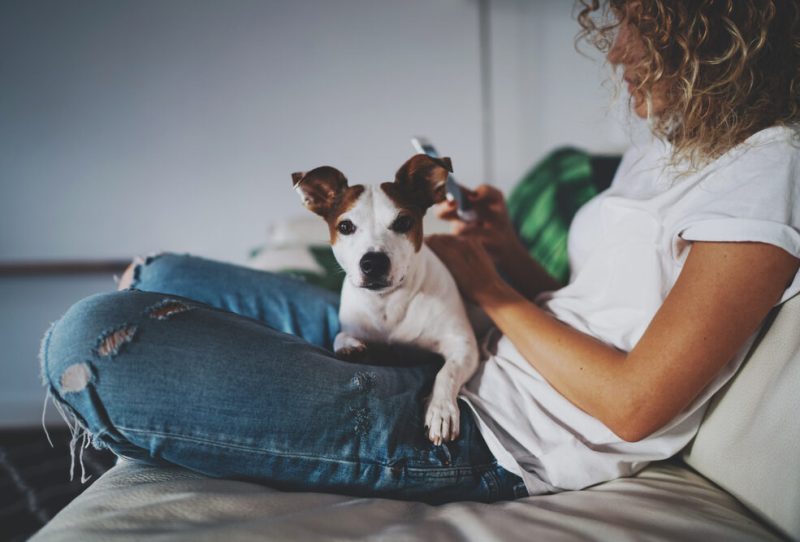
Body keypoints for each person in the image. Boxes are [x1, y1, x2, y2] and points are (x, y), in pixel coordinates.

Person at [40, 0, 799, 503]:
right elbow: (594, 302)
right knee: (166, 272)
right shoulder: (671, 145)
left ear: (722, 34)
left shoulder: (773, 168)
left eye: (644, 23)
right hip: (486, 345)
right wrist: (505, 254)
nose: (620, 50)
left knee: (96, 339)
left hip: (499, 431)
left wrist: (490, 288)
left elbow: (637, 404)